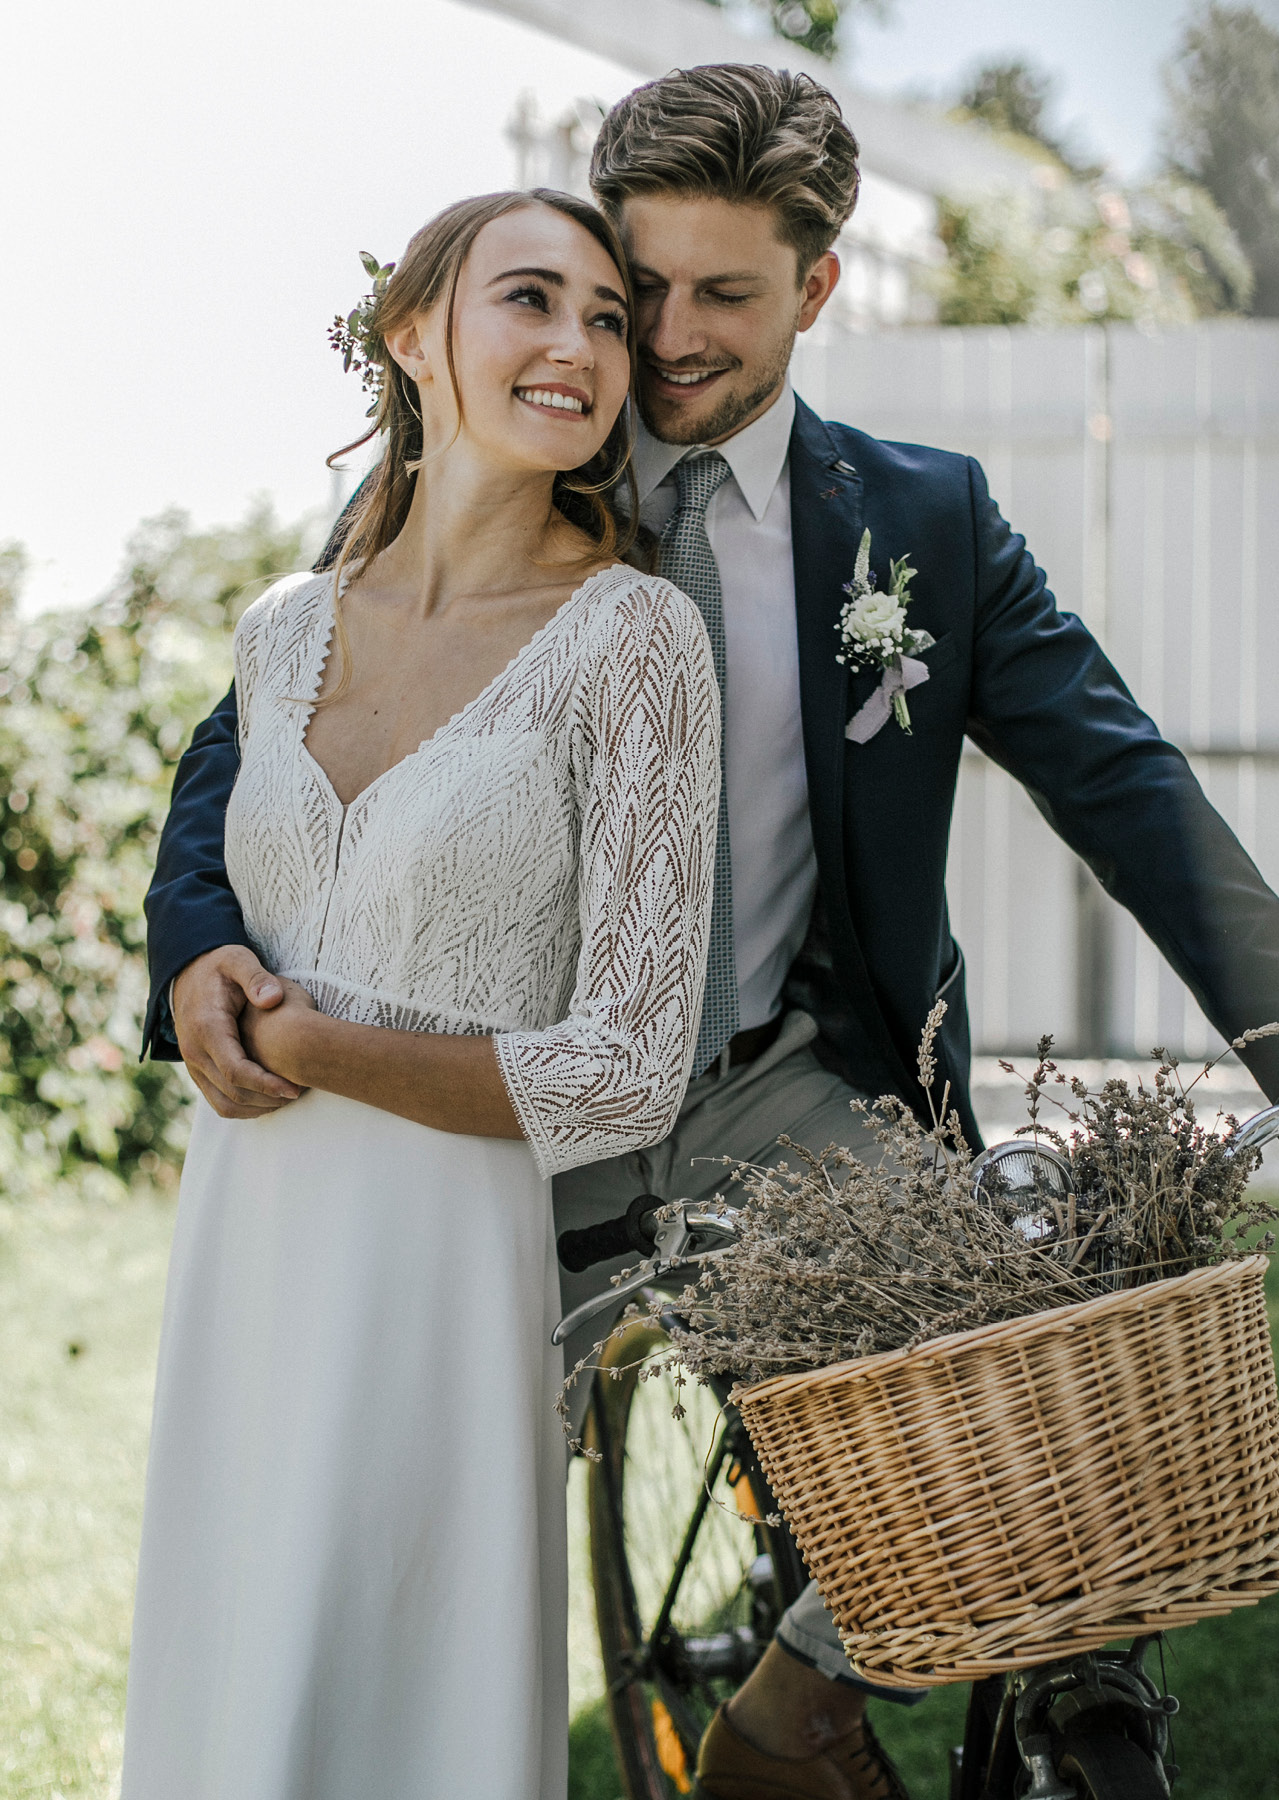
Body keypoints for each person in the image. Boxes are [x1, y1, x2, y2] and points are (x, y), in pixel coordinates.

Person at [141, 67, 1279, 1800]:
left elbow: (1123, 781)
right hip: (488, 1114)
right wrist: (197, 949)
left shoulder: (923, 527)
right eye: (632, 282)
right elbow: (258, 746)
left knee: (1029, 1408)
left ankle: (797, 1710)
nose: (656, 341)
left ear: (818, 287)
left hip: (773, 1083)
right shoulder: (493, 452)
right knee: (363, 1507)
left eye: (718, 295)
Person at [121, 190, 721, 1800]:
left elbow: (625, 1071)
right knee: (235, 1659)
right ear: (413, 336)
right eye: (531, 299)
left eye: (608, 319)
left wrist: (315, 1039)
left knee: (396, 1679)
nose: (578, 346)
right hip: (247, 1226)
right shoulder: (281, 629)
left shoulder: (637, 643)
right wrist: (203, 976)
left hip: (442, 1263)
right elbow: (215, 880)